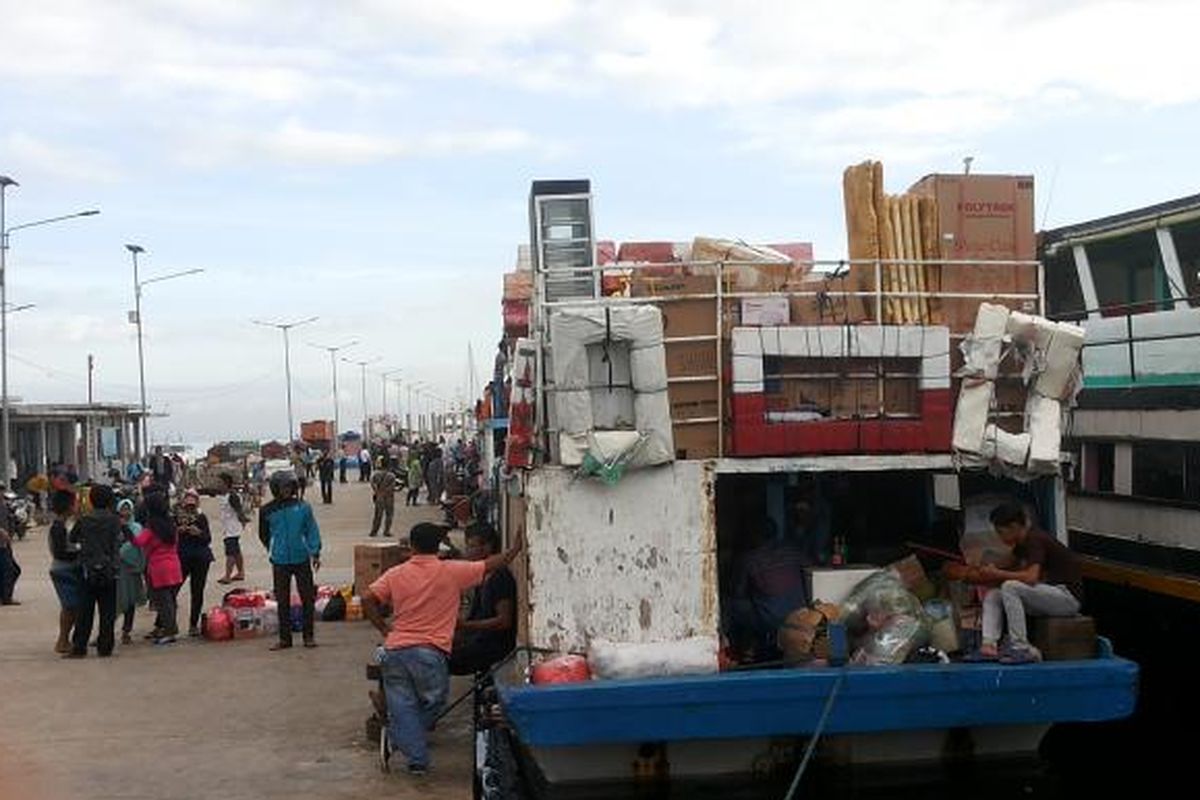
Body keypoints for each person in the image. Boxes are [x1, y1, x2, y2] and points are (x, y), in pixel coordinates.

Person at [363, 522, 523, 775]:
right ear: (437, 546)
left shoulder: (396, 574)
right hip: (429, 651)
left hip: (394, 651)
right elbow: (491, 564)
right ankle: (398, 740)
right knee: (434, 703)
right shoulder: (451, 571)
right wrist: (515, 549)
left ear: (412, 546)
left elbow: (367, 598)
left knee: (405, 706)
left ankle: (412, 756)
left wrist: (384, 629)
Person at [969, 502, 1083, 664]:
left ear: (1014, 526)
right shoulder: (1021, 545)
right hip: (1048, 595)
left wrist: (997, 573)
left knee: (1009, 586)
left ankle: (1021, 647)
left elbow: (1031, 577)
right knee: (994, 594)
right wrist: (983, 569)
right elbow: (1006, 565)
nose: (1000, 538)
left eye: (1001, 532)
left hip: (1067, 598)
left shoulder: (1035, 539)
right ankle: (989, 646)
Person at [728, 517, 809, 661]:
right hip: (801, 616)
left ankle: (743, 650)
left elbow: (737, 594)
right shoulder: (793, 551)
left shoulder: (749, 559)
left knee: (732, 606)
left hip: (772, 622)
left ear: (754, 536)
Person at [258, 470, 322, 650]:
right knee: (282, 601)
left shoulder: (303, 507)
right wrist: (273, 548)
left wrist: (315, 551)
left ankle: (308, 636)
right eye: (282, 487)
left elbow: (312, 530)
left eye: (289, 486)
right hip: (279, 561)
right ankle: (285, 639)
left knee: (307, 599)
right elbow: (263, 534)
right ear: (275, 488)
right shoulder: (267, 510)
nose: (286, 490)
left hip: (301, 558)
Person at [450, 524, 517, 675]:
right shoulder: (482, 575)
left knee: (438, 660)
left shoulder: (499, 577)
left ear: (487, 547)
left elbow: (504, 621)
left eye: (471, 546)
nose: (468, 551)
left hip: (494, 645)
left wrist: (466, 626)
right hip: (479, 638)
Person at [65, 484, 121, 658]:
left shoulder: (84, 520)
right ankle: (105, 647)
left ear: (91, 500)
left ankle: (79, 647)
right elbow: (118, 543)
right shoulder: (114, 520)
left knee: (85, 611)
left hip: (87, 570)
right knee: (108, 611)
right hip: (109, 570)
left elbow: (72, 539)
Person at [133, 491, 183, 645]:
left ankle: (170, 631)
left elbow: (138, 542)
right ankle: (169, 629)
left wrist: (127, 531)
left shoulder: (151, 527)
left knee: (163, 602)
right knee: (171, 600)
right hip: (174, 565)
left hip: (158, 568)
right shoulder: (171, 524)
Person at [174, 488, 213, 637]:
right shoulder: (175, 517)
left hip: (200, 558)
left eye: (193, 503)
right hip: (182, 557)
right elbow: (169, 537)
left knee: (197, 592)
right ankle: (164, 623)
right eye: (188, 502)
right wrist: (178, 530)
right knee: (173, 590)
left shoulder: (201, 517)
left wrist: (199, 533)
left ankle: (193, 624)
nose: (190, 506)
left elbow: (207, 538)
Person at [47, 490, 81, 650]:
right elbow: (61, 553)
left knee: (71, 607)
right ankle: (62, 640)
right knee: (70, 607)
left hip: (64, 569)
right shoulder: (58, 527)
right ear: (68, 506)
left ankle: (64, 639)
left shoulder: (63, 525)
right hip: (63, 570)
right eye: (74, 503)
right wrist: (79, 552)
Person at [115, 498, 147, 645]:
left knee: (130, 601)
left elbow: (136, 545)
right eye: (123, 509)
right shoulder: (113, 527)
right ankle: (106, 630)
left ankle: (126, 631)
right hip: (117, 569)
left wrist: (121, 552)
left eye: (128, 509)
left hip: (131, 569)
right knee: (114, 601)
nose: (125, 512)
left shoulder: (136, 527)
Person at [216, 474, 249, 584]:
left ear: (226, 484)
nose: (218, 485)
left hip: (232, 529)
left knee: (230, 552)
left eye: (220, 482)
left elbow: (239, 510)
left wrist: (243, 520)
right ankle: (241, 572)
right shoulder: (225, 495)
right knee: (236, 552)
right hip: (229, 528)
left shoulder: (232, 496)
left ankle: (227, 575)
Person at [369, 462, 396, 538]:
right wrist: (386, 491)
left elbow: (372, 483)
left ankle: (374, 531)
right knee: (389, 514)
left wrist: (377, 490)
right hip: (389, 497)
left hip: (379, 496)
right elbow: (392, 486)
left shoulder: (376, 475)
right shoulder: (391, 476)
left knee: (378, 515)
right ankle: (386, 531)